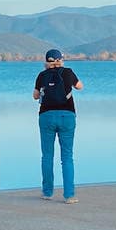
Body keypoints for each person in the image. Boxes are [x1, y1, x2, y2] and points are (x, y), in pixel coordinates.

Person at [34, 48, 82, 201]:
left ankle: (47, 192)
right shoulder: (68, 72)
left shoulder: (42, 75)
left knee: (47, 156)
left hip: (46, 116)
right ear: (61, 59)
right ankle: (69, 195)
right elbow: (80, 86)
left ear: (46, 61)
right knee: (67, 157)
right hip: (67, 115)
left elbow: (35, 96)